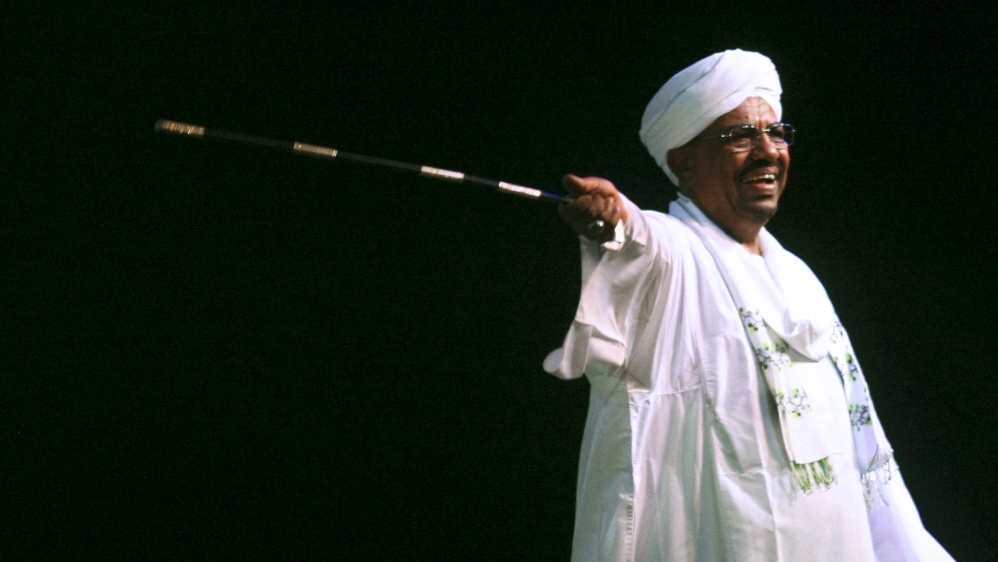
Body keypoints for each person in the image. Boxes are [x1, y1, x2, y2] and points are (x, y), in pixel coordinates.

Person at [544, 49, 954, 562]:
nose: (767, 152)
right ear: (683, 161)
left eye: (776, 133)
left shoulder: (801, 280)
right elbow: (639, 240)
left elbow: (865, 454)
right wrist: (613, 219)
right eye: (740, 137)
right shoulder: (676, 260)